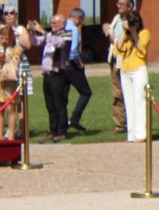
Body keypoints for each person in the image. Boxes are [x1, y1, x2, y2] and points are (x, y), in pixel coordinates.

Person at [28, 15, 73, 143]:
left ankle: (62, 131)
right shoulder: (50, 35)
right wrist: (32, 32)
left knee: (59, 105)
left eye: (55, 23)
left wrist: (42, 31)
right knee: (50, 106)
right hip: (47, 75)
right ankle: (52, 130)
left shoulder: (66, 34)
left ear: (62, 24)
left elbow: (60, 44)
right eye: (51, 22)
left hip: (58, 74)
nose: (52, 24)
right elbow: (36, 42)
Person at [114, 11, 151, 143]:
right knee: (129, 102)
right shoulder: (125, 35)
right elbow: (118, 48)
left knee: (139, 101)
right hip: (125, 70)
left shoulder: (144, 33)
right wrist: (124, 31)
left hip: (138, 70)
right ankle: (131, 134)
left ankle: (140, 134)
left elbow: (142, 48)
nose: (131, 25)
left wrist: (134, 32)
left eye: (133, 22)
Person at [104, 0, 134, 135]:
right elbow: (110, 32)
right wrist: (107, 29)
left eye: (122, 4)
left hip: (127, 61)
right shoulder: (117, 18)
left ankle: (132, 123)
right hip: (115, 60)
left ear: (130, 6)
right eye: (118, 3)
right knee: (116, 93)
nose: (119, 6)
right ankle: (120, 125)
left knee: (128, 93)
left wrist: (114, 39)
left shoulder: (133, 20)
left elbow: (131, 39)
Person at [64, 8, 93, 133]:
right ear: (77, 18)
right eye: (81, 20)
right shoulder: (74, 30)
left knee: (63, 95)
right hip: (71, 65)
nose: (81, 23)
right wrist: (78, 62)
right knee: (86, 92)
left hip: (61, 64)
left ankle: (62, 124)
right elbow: (72, 50)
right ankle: (74, 119)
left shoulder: (62, 26)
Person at [1, 26, 25, 140]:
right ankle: (0, 136)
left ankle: (11, 135)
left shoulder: (16, 49)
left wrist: (5, 57)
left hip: (10, 83)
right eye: (2, 38)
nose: (4, 41)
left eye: (7, 38)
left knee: (10, 109)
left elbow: (16, 62)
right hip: (0, 83)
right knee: (0, 110)